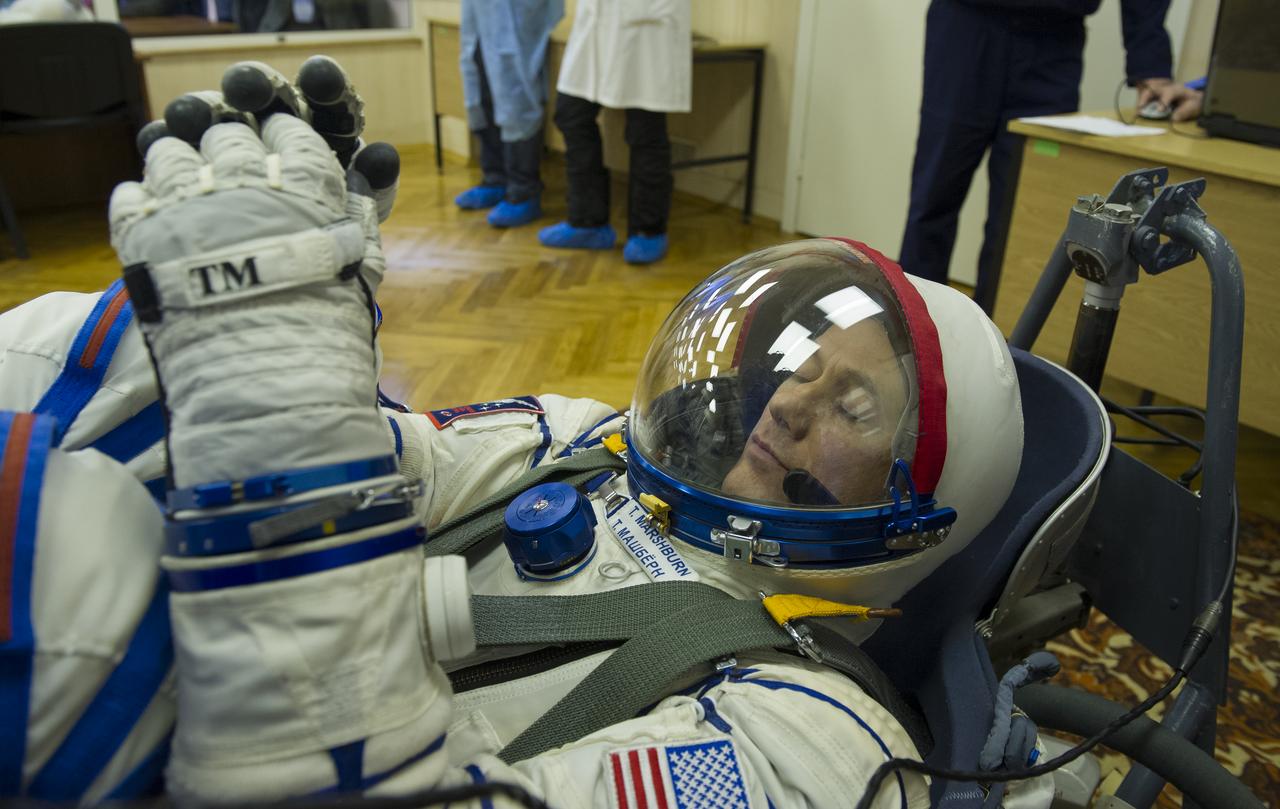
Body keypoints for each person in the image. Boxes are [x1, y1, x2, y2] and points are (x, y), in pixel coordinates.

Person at [0, 61, 1044, 807]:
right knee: (118, 356)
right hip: (238, 669)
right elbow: (397, 460)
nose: (783, 405)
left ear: (914, 512)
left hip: (252, 731)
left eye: (850, 411)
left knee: (82, 557)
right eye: (796, 369)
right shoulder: (583, 441)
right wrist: (294, 351)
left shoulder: (818, 744)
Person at [898, 0, 1174, 306]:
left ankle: (1000, 341)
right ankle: (913, 332)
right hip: (966, 26)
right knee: (935, 195)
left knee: (1022, 214)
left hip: (1053, 41)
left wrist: (1151, 66)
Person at [537, 0, 691, 265]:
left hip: (647, 30)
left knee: (645, 132)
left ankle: (648, 230)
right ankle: (588, 222)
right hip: (596, 23)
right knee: (571, 115)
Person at [453, 0, 563, 229]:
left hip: (520, 14)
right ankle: (495, 178)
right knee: (482, 87)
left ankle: (524, 190)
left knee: (515, 96)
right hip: (483, 11)